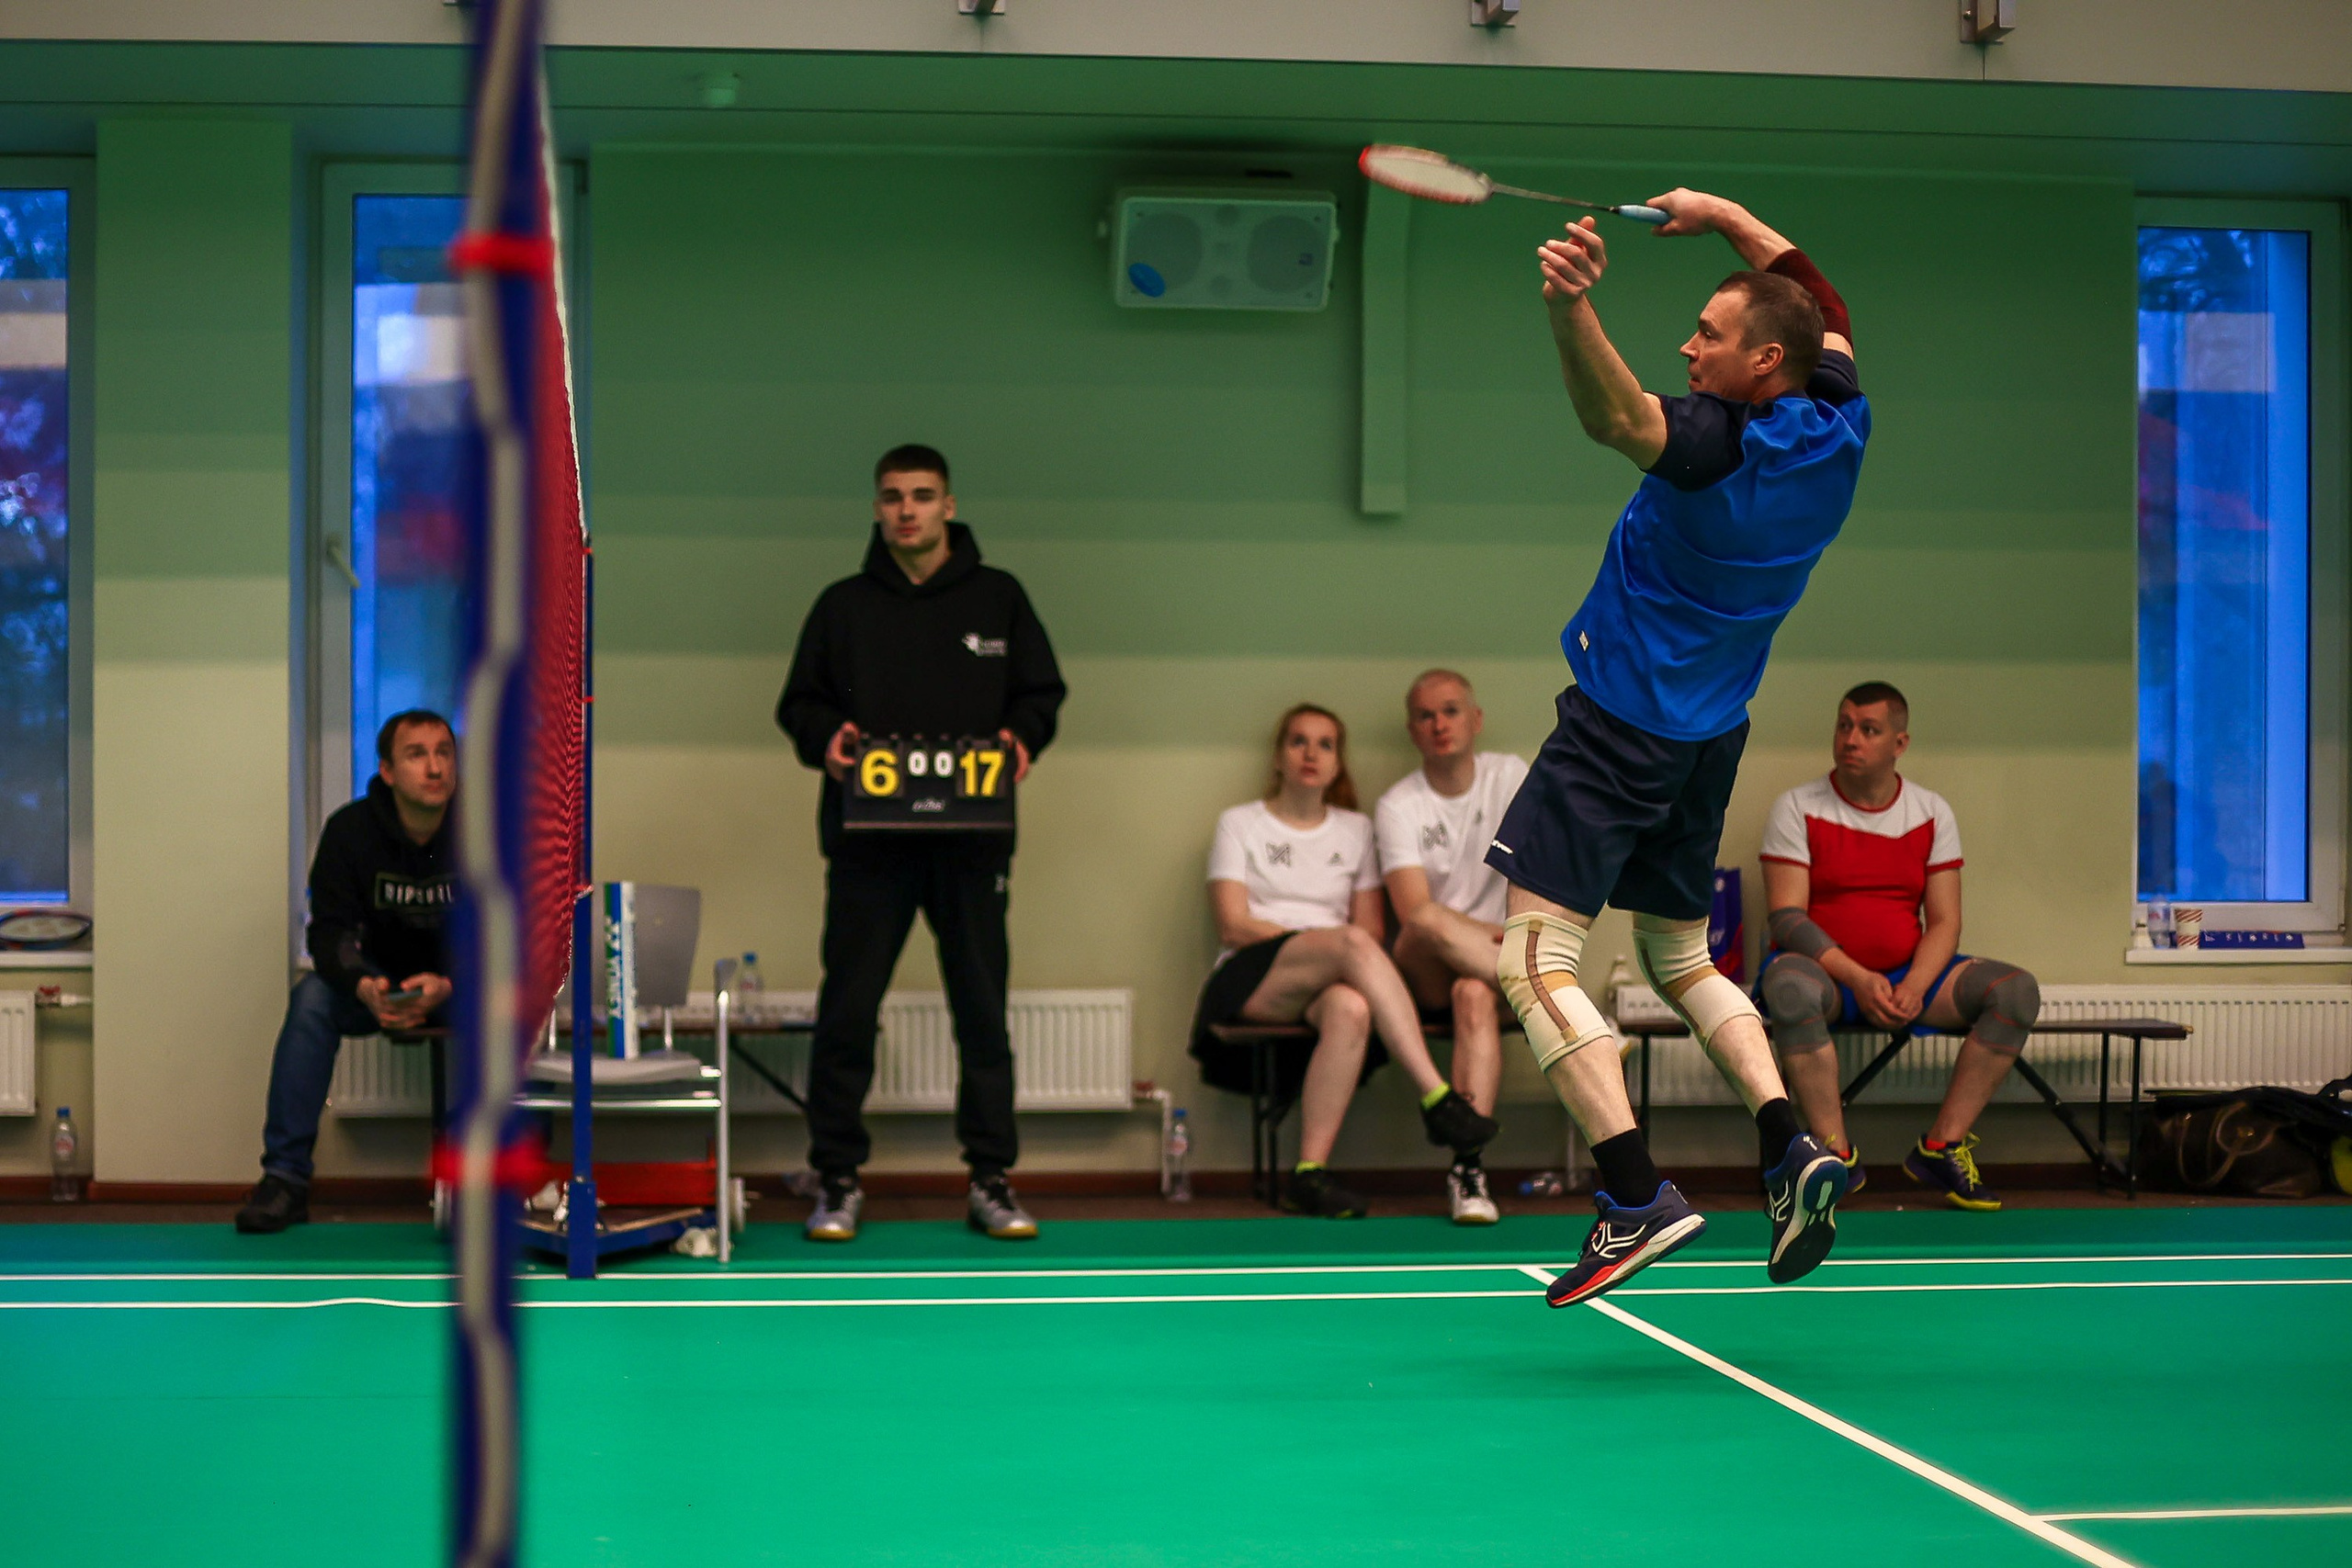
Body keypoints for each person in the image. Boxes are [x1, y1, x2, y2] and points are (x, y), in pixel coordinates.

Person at [1483, 190, 1872, 1305]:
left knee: (1529, 960)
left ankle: (1629, 1195)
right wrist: (1725, 215)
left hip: (1617, 727)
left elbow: (1613, 418)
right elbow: (1824, 301)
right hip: (1709, 736)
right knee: (1680, 956)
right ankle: (1791, 1148)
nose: (1687, 347)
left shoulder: (1711, 447)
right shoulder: (1837, 420)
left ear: (1761, 365)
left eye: (1707, 336)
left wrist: (1570, 305)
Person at [777, 444, 1067, 1244]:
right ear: (877, 508)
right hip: (868, 845)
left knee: (981, 1012)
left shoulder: (1000, 598)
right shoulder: (842, 605)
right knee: (848, 1009)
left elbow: (1042, 695)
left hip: (973, 844)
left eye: (923, 495)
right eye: (893, 497)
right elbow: (798, 705)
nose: (907, 509)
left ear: (948, 504)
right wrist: (826, 742)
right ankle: (837, 1177)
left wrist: (1021, 737)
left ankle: (991, 1179)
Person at [1191, 704, 1500, 1218]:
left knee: (1352, 1007)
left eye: (1325, 744)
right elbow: (1234, 923)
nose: (1311, 754)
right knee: (1350, 947)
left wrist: (1331, 949)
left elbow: (1373, 929)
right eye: (1298, 742)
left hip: (1329, 976)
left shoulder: (1356, 830)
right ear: (1279, 757)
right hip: (1254, 976)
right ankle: (1437, 1096)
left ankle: (1308, 1174)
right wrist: (1321, 943)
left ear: (1338, 764)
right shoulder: (1240, 824)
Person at [1758, 682, 2041, 1212]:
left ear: (1899, 743)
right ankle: (1832, 1158)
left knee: (2016, 992)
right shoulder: (1796, 806)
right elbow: (1788, 919)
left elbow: (1945, 922)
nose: (1851, 739)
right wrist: (1860, 979)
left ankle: (1941, 1147)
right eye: (1844, 725)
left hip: (1911, 976)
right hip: (1828, 979)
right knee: (1788, 988)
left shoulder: (1931, 811)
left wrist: (1910, 987)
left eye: (1869, 729)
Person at [235, 709, 458, 1235]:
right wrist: (363, 984)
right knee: (312, 998)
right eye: (417, 754)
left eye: (444, 753)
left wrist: (451, 986)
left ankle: (491, 1184)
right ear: (387, 771)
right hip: (374, 982)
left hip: (457, 981)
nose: (434, 768)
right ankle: (285, 1181)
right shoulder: (350, 832)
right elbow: (328, 933)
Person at [1374, 670, 1529, 1224]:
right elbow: (1413, 913)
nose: (1439, 724)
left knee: (1473, 993)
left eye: (1451, 710)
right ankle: (1556, 1005)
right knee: (1428, 921)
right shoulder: (1399, 805)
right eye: (1425, 715)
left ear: (1475, 719)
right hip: (1426, 968)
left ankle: (1468, 1171)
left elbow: (1543, 875)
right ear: (1413, 730)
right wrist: (1493, 938)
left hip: (1486, 968)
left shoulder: (1512, 777)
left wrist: (1503, 937)